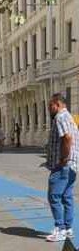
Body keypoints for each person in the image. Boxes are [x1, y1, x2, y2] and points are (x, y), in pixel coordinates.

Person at [45, 92, 78, 242]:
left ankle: (60, 229)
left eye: (50, 105)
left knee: (54, 196)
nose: (48, 109)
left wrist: (63, 159)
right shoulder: (69, 117)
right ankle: (68, 229)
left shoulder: (60, 117)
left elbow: (67, 138)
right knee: (67, 197)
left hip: (63, 165)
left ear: (57, 104)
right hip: (72, 165)